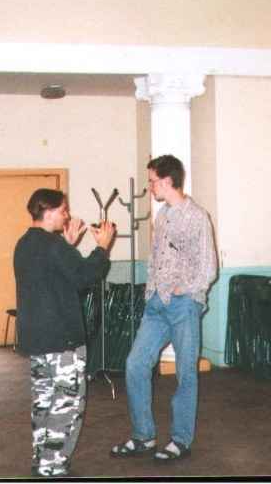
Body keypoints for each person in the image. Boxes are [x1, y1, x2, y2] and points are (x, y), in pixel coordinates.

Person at [110, 154, 217, 462]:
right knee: (135, 364)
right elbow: (156, 259)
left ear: (168, 181)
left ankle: (181, 440)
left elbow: (209, 267)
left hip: (184, 305)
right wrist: (151, 292)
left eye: (152, 181)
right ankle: (143, 436)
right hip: (157, 304)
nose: (150, 187)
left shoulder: (197, 217)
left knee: (186, 373)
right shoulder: (162, 216)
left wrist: (186, 290)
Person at [13, 188, 116, 478]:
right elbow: (85, 276)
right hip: (62, 340)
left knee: (44, 401)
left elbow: (54, 274)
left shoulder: (25, 244)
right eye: (63, 210)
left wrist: (68, 245)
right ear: (48, 212)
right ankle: (52, 465)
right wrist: (102, 248)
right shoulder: (53, 246)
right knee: (67, 403)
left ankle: (41, 458)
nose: (67, 215)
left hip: (36, 340)